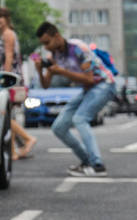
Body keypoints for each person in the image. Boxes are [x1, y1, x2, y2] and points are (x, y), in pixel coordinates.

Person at [33, 22, 117, 177]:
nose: (46, 47)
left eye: (47, 42)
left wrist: (62, 71)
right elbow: (45, 85)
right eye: (43, 44)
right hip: (87, 90)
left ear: (56, 36)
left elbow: (89, 79)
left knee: (80, 118)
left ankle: (98, 166)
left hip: (105, 84)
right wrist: (40, 71)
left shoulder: (78, 48)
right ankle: (87, 161)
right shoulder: (53, 57)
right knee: (58, 127)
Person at [0, 6, 37, 160]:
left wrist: (5, 78)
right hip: (12, 77)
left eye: (0, 16)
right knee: (7, 114)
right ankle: (14, 150)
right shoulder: (6, 34)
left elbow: (9, 56)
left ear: (7, 18)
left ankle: (27, 139)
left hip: (11, 78)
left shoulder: (8, 34)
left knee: (5, 115)